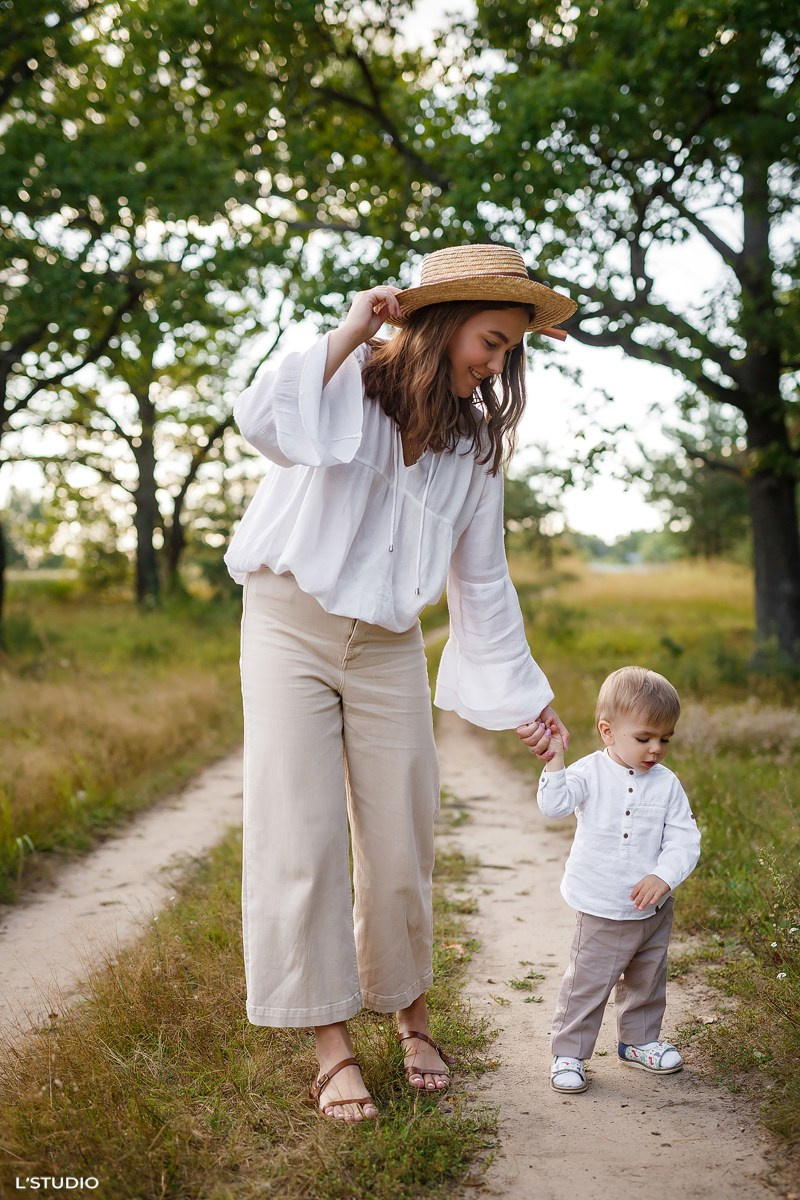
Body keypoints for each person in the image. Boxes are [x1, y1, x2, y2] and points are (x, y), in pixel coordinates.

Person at [224, 243, 576, 1121]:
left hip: (388, 645)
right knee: (299, 833)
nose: (497, 364)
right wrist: (351, 329)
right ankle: (330, 1043)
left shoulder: (474, 446)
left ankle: (410, 1013)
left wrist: (526, 694)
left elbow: (482, 578)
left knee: (402, 834)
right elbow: (262, 417)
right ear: (446, 322)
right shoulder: (345, 382)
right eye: (491, 341)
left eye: (509, 351)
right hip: (288, 624)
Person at [536, 665, 701, 1094]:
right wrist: (555, 760)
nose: (656, 749)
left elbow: (685, 838)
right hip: (602, 906)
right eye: (644, 738)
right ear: (608, 731)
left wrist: (663, 876)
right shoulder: (588, 773)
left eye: (665, 738)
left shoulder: (667, 785)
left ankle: (639, 1041)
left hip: (653, 910)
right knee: (589, 983)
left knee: (647, 979)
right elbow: (554, 806)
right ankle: (569, 1052)